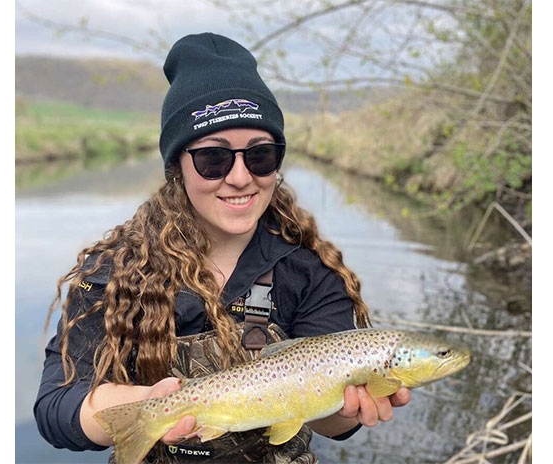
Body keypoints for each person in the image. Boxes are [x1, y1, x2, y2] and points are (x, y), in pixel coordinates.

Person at [34, 32, 412, 463]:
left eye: (260, 156)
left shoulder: (310, 271)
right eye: (214, 158)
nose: (239, 177)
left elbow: (330, 424)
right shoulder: (114, 269)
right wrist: (145, 410)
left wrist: (348, 411)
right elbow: (56, 406)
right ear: (177, 165)